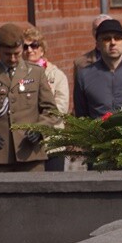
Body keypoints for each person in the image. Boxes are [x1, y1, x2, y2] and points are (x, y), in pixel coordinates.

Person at [0, 23, 58, 173]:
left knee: (33, 195)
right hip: (0, 153)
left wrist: (40, 129)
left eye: (17, 53)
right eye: (8, 54)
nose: (13, 59)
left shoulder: (35, 73)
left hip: (30, 153)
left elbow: (51, 110)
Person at [74, 19, 122, 119]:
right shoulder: (84, 76)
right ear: (98, 44)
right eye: (107, 39)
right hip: (98, 132)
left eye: (117, 38)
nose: (113, 42)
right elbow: (81, 117)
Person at [21, 25, 76, 171]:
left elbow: (60, 109)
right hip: (25, 144)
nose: (29, 50)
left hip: (52, 144)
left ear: (42, 49)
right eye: (25, 47)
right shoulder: (16, 75)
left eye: (34, 45)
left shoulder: (56, 76)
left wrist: (40, 128)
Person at [73, 14, 122, 80]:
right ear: (92, 31)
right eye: (97, 28)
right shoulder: (81, 63)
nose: (101, 31)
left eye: (105, 27)